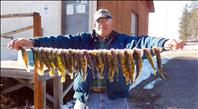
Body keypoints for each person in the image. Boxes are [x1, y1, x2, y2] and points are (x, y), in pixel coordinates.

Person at [7, 9, 184, 109]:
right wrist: (32, 42)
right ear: (94, 24)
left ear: (111, 22)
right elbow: (58, 40)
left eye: (106, 20)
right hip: (85, 98)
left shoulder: (124, 41)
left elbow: (143, 41)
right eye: (99, 20)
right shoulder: (82, 39)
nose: (102, 23)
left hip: (116, 99)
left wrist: (164, 43)